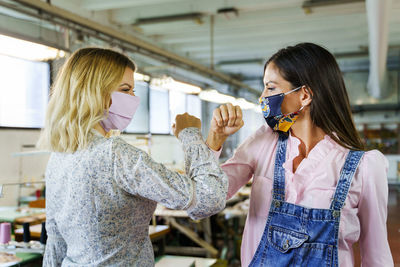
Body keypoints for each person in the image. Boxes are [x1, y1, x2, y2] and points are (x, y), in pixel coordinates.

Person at [38, 47, 230, 266]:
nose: (134, 99)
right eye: (125, 89)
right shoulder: (115, 154)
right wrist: (190, 135)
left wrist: (213, 143)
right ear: (96, 91)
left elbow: (55, 242)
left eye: (133, 91)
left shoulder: (59, 157)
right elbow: (207, 200)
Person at [206, 43, 393, 266]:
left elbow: (377, 256)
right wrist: (215, 139)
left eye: (271, 88)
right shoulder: (263, 142)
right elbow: (205, 201)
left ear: (304, 95)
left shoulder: (363, 166)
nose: (262, 97)